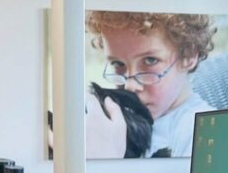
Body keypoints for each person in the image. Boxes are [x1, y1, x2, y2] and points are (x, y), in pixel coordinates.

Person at [85, 11, 216, 159]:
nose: (129, 86)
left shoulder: (203, 132)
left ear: (189, 55)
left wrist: (105, 161)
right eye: (118, 63)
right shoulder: (115, 118)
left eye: (150, 60)